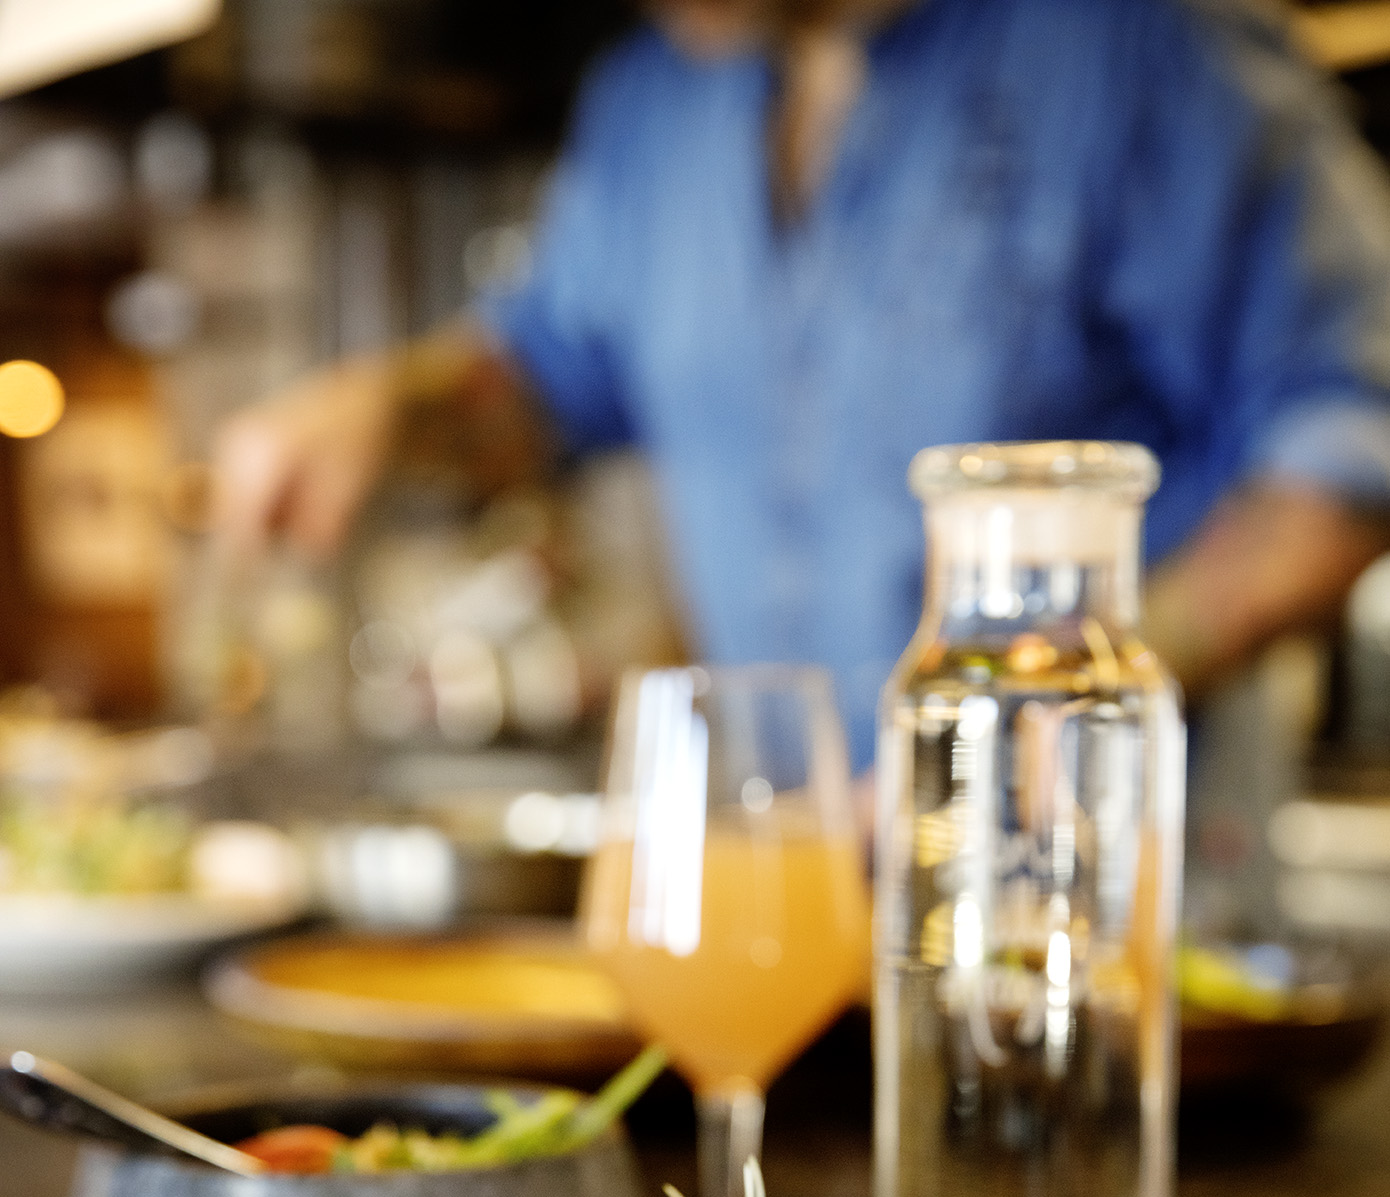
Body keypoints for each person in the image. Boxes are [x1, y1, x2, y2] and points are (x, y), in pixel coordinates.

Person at [215, 0, 1390, 769]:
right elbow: (543, 382)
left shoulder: (1137, 50)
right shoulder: (653, 106)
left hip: (1107, 899)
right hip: (806, 885)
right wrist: (387, 406)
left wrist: (1038, 719)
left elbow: (1349, 443)